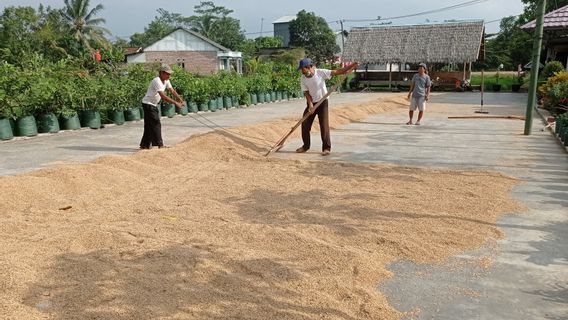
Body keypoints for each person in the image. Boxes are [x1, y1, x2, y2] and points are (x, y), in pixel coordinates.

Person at [296, 58, 358, 156]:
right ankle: (305, 146)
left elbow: (338, 71)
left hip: (323, 102)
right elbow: (306, 93)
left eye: (303, 69)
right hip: (312, 103)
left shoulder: (320, 73)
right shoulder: (303, 78)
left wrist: (352, 65)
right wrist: (311, 105)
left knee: (324, 126)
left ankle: (326, 148)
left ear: (309, 67)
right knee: (304, 123)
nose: (302, 72)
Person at [139, 64, 185, 149]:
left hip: (152, 104)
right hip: (148, 104)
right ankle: (160, 145)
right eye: (167, 74)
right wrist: (176, 103)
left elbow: (172, 91)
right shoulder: (156, 81)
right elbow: (163, 96)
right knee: (156, 123)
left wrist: (180, 100)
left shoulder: (166, 80)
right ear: (161, 73)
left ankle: (144, 145)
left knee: (149, 125)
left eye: (169, 74)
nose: (169, 76)